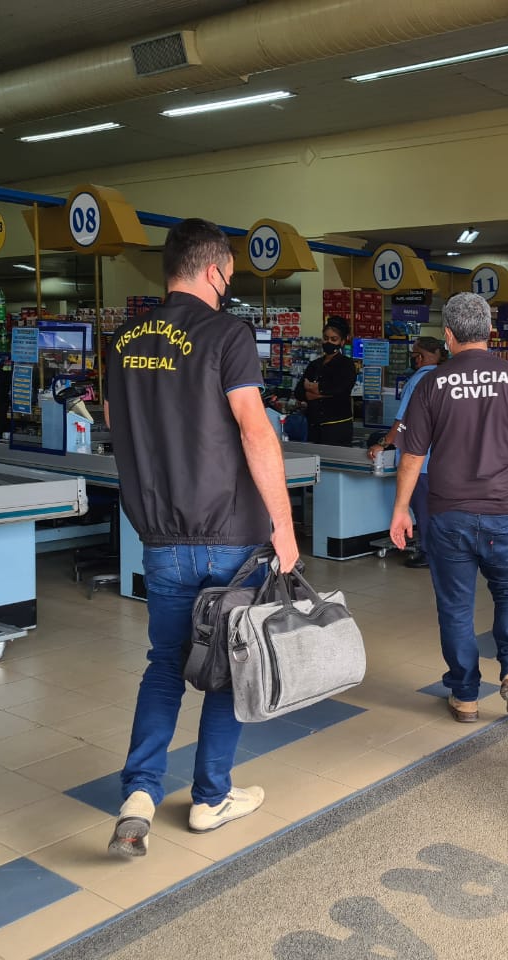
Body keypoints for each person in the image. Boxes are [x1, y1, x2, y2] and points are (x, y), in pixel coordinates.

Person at [103, 218, 299, 858]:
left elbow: (114, 419)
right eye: (230, 274)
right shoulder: (226, 334)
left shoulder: (124, 340)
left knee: (164, 663)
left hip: (160, 536)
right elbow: (254, 429)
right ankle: (210, 798)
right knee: (229, 662)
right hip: (230, 537)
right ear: (215, 271)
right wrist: (284, 526)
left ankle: (139, 795)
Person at [389, 293, 508, 723]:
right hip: (507, 512)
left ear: (448, 335)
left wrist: (401, 509)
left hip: (449, 516)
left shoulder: (432, 383)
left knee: (456, 606)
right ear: (490, 332)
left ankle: (465, 696)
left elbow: (412, 455)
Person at [368, 336, 445, 568]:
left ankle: (429, 553)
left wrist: (384, 443)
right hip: (444, 457)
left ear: (419, 357)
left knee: (423, 508)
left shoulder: (418, 381)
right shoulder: (447, 378)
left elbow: (403, 420)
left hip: (420, 460)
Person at [297, 316, 356, 445]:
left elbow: (341, 390)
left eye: (333, 339)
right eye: (326, 338)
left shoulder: (346, 364)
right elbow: (299, 391)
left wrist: (312, 389)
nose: (328, 342)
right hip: (314, 425)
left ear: (342, 342)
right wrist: (322, 392)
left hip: (337, 426)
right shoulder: (315, 364)